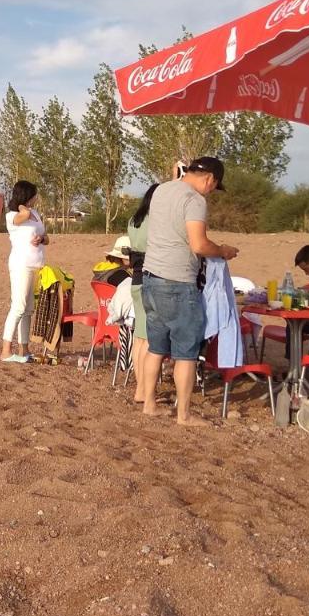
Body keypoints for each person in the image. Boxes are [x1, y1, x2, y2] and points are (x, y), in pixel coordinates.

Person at [139, 157, 238, 423]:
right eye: (214, 187)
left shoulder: (162, 189)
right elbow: (199, 245)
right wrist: (223, 251)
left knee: (156, 347)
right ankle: (183, 415)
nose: (211, 192)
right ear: (210, 179)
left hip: (151, 278)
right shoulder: (195, 200)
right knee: (187, 352)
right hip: (177, 282)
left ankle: (149, 403)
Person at [0, 180, 48, 364]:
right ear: (26, 196)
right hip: (21, 265)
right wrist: (21, 205)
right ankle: (6, 350)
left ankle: (24, 349)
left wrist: (41, 239)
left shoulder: (35, 213)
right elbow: (24, 214)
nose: (36, 198)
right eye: (33, 194)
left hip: (37, 266)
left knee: (28, 310)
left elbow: (47, 237)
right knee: (18, 307)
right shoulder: (13, 215)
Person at [126, 183, 158, 405]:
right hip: (150, 277)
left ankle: (140, 387)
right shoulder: (155, 222)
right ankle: (142, 390)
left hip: (135, 278)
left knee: (139, 337)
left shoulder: (134, 220)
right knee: (147, 339)